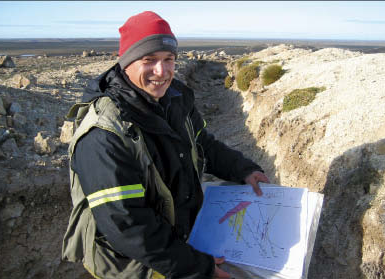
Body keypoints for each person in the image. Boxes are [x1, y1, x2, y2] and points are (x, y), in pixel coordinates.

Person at [62, 11, 270, 279]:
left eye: (169, 59)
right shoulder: (104, 134)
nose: (161, 72)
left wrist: (243, 169)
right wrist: (199, 267)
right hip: (134, 264)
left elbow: (203, 143)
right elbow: (128, 225)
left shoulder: (176, 99)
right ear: (126, 63)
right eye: (149, 60)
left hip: (178, 238)